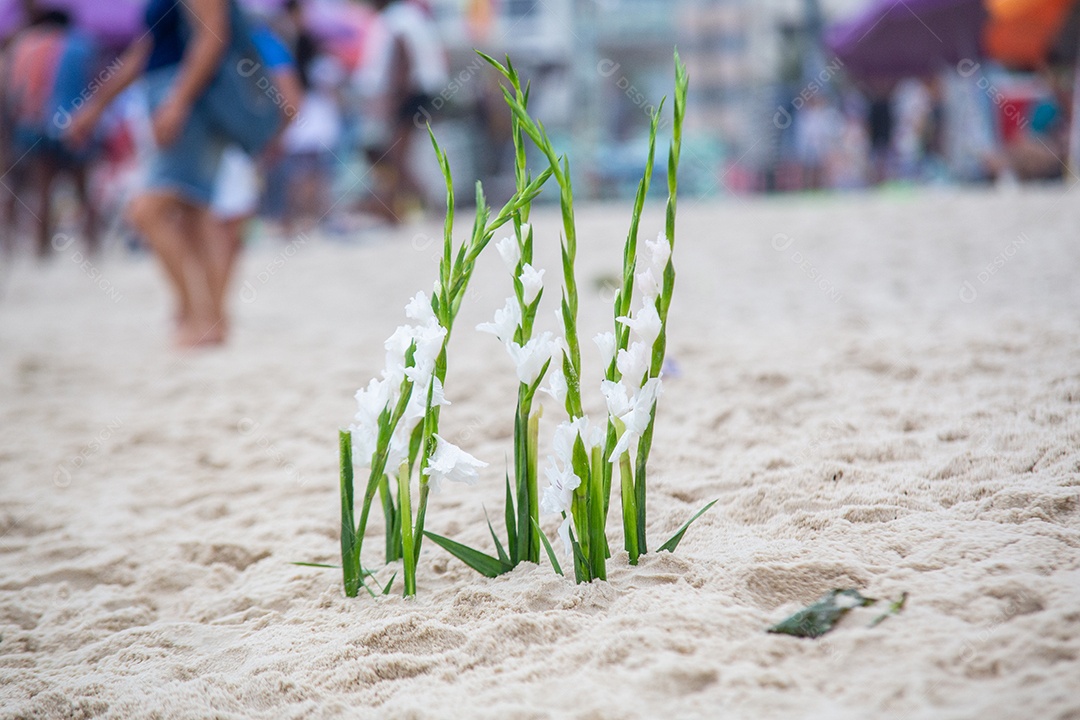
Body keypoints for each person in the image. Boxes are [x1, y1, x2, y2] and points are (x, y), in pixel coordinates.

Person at [67, 0, 237, 347]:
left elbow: (213, 35)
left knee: (147, 210)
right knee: (195, 213)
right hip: (174, 99)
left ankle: (194, 315)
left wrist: (178, 102)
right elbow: (144, 51)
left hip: (189, 102)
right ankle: (213, 320)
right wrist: (95, 107)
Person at [0, 8, 99, 257]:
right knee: (83, 190)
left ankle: (41, 250)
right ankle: (92, 247)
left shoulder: (25, 46)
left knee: (42, 189)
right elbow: (95, 81)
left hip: (34, 123)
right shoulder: (81, 45)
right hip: (75, 121)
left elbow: (14, 91)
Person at [357, 0, 448, 224]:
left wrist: (393, 98)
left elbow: (402, 57)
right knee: (397, 156)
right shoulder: (411, 16)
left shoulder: (396, 18)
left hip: (408, 93)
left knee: (395, 155)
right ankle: (397, 208)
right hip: (416, 92)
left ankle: (416, 208)